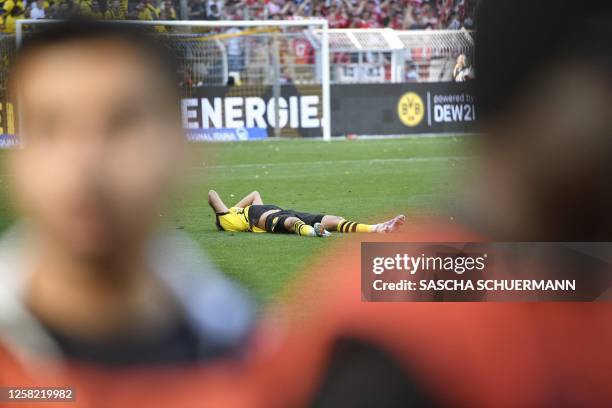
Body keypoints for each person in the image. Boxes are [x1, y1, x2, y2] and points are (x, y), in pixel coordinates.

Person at [0, 19, 254, 370]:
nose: (86, 162)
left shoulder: (247, 350)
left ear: (182, 148)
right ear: (16, 159)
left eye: (121, 124)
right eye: (50, 127)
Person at [208, 190, 405, 237]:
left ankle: (377, 227)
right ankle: (313, 232)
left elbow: (255, 194)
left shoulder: (236, 212)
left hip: (277, 210)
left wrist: (236, 208)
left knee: (333, 219)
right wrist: (227, 212)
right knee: (290, 222)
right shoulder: (226, 220)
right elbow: (211, 194)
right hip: (262, 220)